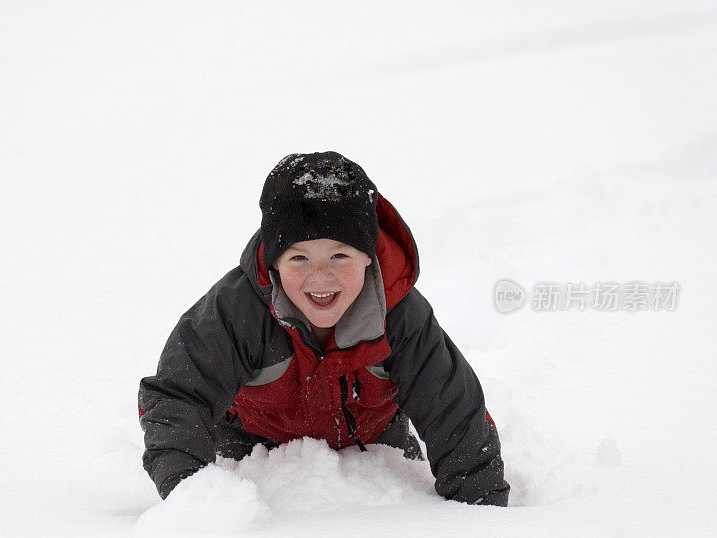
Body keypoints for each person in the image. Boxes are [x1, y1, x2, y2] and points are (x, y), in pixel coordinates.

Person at [138, 151, 510, 506]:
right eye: (299, 257)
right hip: (255, 447)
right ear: (275, 262)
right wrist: (192, 497)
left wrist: (479, 509)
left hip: (373, 446)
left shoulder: (399, 316)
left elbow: (452, 408)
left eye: (339, 256)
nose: (320, 277)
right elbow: (178, 398)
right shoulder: (236, 312)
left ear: (368, 256)